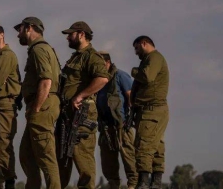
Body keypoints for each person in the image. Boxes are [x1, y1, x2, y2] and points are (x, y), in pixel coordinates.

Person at [58, 21, 110, 189]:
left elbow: (102, 78)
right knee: (62, 160)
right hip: (67, 115)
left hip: (81, 115)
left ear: (81, 34)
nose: (67, 37)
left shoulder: (91, 56)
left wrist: (80, 96)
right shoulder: (76, 56)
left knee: (83, 160)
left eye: (71, 34)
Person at [15, 17, 61, 189]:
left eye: (20, 29)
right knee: (27, 154)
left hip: (42, 106)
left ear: (30, 28)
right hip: (41, 106)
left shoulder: (39, 50)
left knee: (46, 156)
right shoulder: (39, 49)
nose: (18, 34)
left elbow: (46, 81)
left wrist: (36, 109)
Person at [130, 36, 169, 189]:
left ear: (144, 43)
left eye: (137, 48)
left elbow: (147, 76)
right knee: (156, 145)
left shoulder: (154, 58)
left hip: (152, 110)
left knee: (144, 146)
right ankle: (155, 182)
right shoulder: (150, 60)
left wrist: (134, 71)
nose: (135, 52)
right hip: (151, 110)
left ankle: (144, 183)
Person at [95, 52, 137, 189]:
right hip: (106, 127)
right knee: (108, 163)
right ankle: (113, 185)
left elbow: (131, 97)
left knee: (129, 158)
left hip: (122, 125)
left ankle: (133, 185)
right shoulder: (98, 80)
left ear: (107, 63)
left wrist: (130, 119)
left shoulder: (120, 76)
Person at [0, 24, 21, 189]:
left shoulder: (6, 56)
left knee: (4, 144)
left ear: (1, 35)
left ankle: (8, 182)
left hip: (5, 104)